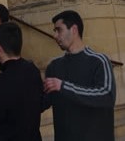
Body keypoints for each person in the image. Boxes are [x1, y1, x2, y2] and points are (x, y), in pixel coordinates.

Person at [43, 10, 116, 141]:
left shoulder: (99, 61)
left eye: (59, 30)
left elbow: (107, 96)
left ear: (74, 30)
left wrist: (64, 86)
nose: (55, 35)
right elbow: (42, 102)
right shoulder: (54, 67)